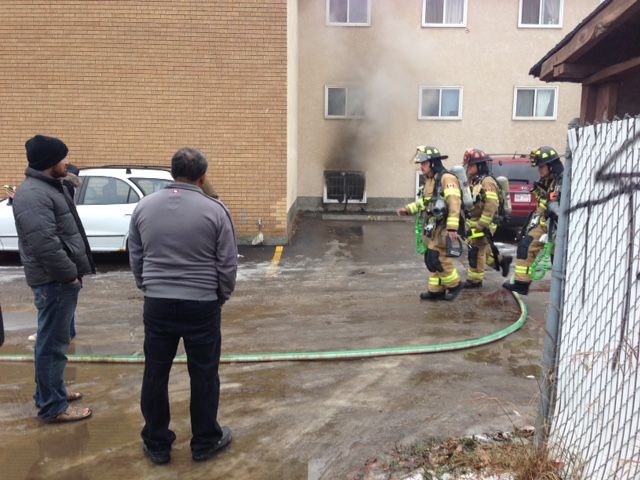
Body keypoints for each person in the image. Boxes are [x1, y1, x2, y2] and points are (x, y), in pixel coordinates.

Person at [129, 147, 238, 465]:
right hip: (201, 304)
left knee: (155, 371)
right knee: (204, 373)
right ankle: (205, 441)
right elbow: (227, 263)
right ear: (203, 177)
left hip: (158, 303)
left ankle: (156, 443)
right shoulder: (216, 211)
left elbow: (136, 254)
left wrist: (148, 285)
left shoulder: (144, 206)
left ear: (171, 172)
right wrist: (220, 295)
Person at [12, 134, 95, 423]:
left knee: (54, 342)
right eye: (63, 158)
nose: (67, 162)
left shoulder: (48, 187)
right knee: (52, 346)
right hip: (55, 281)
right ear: (50, 161)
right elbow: (45, 244)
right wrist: (69, 275)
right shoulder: (34, 195)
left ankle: (52, 393)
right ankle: (52, 407)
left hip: (57, 280)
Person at [398, 145, 463, 301]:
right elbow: (425, 202)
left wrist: (452, 228)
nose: (422, 167)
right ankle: (436, 291)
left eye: (424, 163)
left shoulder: (447, 178)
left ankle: (455, 285)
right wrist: (408, 209)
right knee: (431, 257)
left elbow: (454, 202)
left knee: (437, 256)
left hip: (445, 225)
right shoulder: (430, 180)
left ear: (433, 163)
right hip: (434, 225)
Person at [28, 163, 82, 343]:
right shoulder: (54, 189)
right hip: (67, 259)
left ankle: (57, 333)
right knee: (64, 304)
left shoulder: (58, 188)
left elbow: (46, 241)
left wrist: (70, 276)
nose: (65, 162)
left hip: (57, 266)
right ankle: (66, 331)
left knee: (53, 313)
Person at [503, 146, 563, 295]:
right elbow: (543, 204)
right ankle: (521, 283)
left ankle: (562, 290)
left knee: (558, 258)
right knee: (525, 245)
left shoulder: (563, 181)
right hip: (545, 225)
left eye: (541, 167)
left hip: (559, 227)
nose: (539, 170)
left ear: (551, 166)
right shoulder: (547, 181)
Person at [461, 148, 512, 288]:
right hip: (475, 221)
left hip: (486, 223)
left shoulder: (487, 182)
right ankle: (502, 261)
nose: (468, 168)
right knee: (482, 248)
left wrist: (482, 224)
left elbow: (492, 204)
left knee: (477, 250)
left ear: (479, 166)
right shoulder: (475, 180)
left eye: (471, 165)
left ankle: (475, 280)